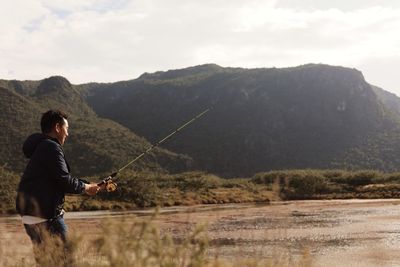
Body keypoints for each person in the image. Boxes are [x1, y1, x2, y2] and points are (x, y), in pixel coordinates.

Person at [16, 109, 103, 265]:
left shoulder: (40, 148)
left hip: (31, 217)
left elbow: (57, 179)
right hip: (47, 218)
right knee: (67, 261)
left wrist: (87, 185)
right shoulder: (51, 147)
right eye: (66, 128)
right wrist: (86, 188)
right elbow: (64, 180)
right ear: (57, 127)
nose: (67, 134)